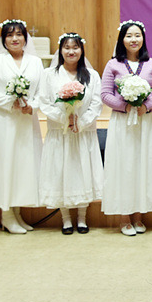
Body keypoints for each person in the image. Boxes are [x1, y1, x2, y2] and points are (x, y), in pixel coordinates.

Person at [0, 19, 43, 234]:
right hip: (4, 120)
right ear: (3, 40)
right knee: (5, 164)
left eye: (18, 34)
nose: (14, 38)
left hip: (26, 121)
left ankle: (16, 212)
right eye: (9, 35)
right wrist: (9, 102)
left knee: (22, 166)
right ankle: (5, 215)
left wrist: (32, 106)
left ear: (25, 38)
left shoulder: (35, 62)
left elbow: (42, 91)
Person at [36, 33, 104, 235]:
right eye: (67, 47)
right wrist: (64, 119)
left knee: (83, 173)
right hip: (60, 132)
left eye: (75, 47)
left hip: (83, 132)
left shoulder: (92, 75)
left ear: (82, 50)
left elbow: (96, 104)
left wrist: (80, 122)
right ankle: (66, 220)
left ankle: (82, 218)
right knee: (61, 173)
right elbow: (44, 102)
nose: (71, 51)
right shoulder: (49, 75)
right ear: (60, 50)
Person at [101, 20, 152, 236]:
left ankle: (138, 216)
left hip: (147, 121)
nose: (133, 39)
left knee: (144, 165)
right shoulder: (113, 64)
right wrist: (125, 106)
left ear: (143, 38)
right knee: (124, 167)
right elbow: (105, 94)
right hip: (123, 123)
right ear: (122, 39)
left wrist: (145, 106)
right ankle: (124, 217)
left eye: (137, 35)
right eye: (129, 36)